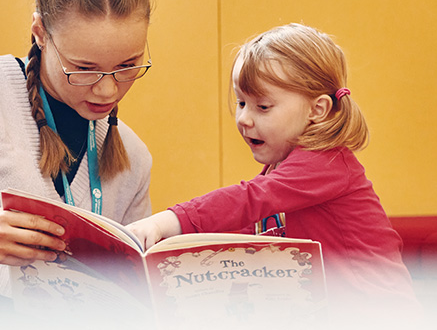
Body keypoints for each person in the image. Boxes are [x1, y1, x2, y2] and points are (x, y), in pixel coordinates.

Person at [128, 23, 420, 326]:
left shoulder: (327, 163)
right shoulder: (283, 168)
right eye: (241, 103)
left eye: (262, 106)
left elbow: (249, 199)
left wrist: (171, 221)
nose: (243, 118)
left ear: (317, 109)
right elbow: (250, 230)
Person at [0, 0, 153, 313]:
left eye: (128, 65)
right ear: (39, 31)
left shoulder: (133, 157)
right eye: (83, 68)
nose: (107, 89)